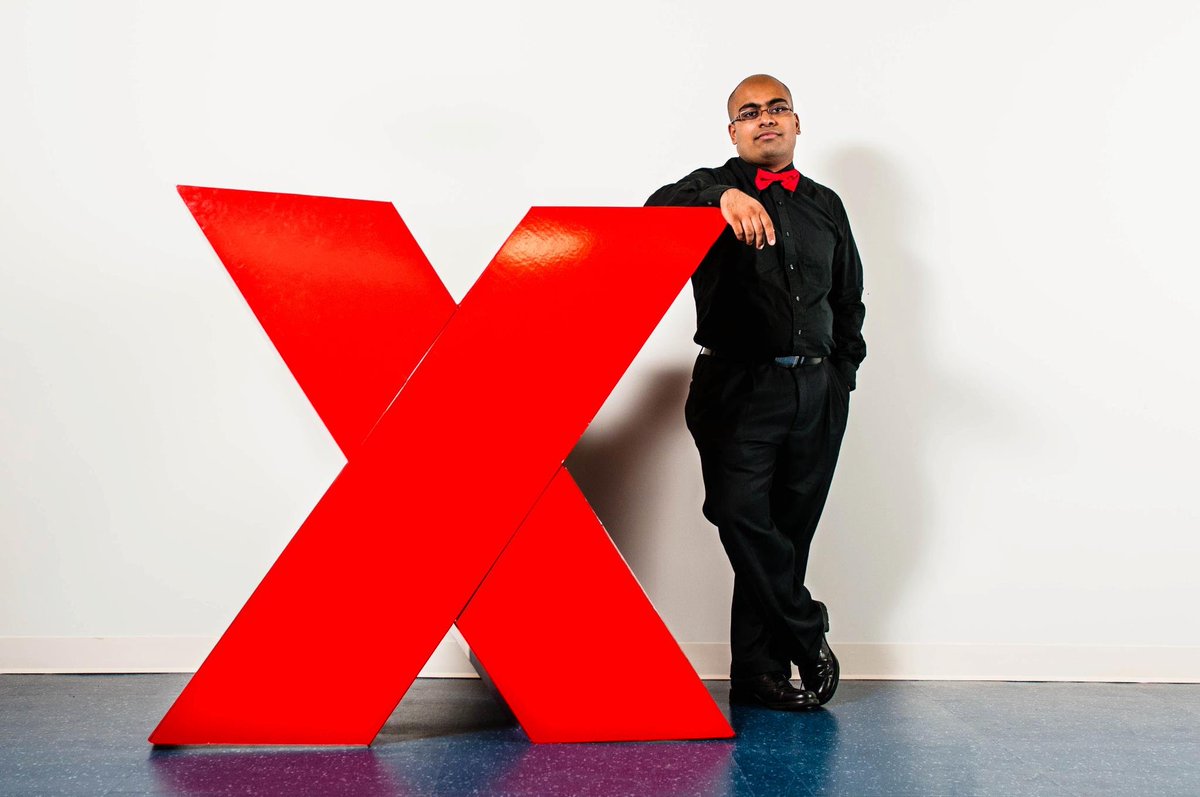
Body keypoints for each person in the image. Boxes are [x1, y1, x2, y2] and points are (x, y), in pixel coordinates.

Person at [646, 74, 866, 711]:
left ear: (797, 123)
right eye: (750, 113)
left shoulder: (825, 203)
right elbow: (651, 211)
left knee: (787, 535)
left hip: (817, 388)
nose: (765, 119)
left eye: (777, 109)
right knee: (740, 514)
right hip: (737, 387)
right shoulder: (708, 188)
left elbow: (848, 295)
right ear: (733, 132)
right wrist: (721, 197)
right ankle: (807, 628)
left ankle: (758, 675)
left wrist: (841, 374)